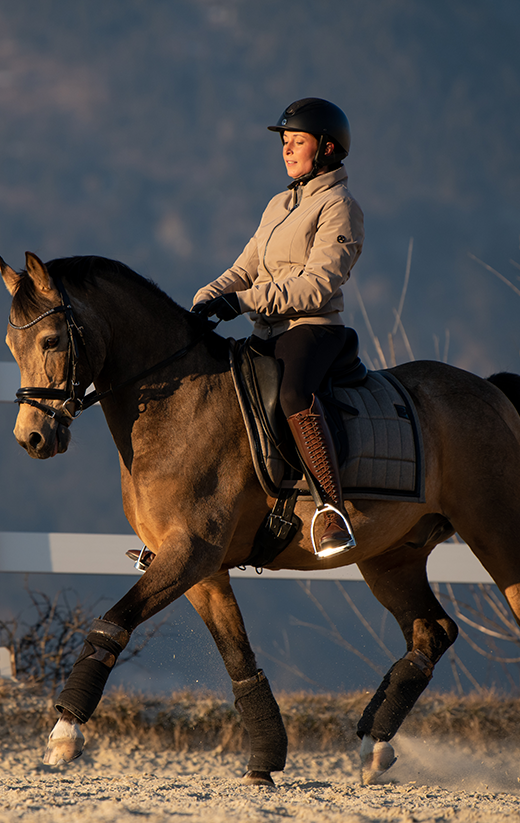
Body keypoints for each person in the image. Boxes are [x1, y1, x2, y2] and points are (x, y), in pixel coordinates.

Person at [192, 97, 364, 558]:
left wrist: (242, 303)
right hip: (268, 330)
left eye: (297, 142)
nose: (287, 151)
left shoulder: (339, 207)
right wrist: (207, 295)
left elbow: (316, 286)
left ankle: (331, 510)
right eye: (285, 143)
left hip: (311, 328)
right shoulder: (279, 203)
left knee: (293, 395)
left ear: (326, 149)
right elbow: (245, 267)